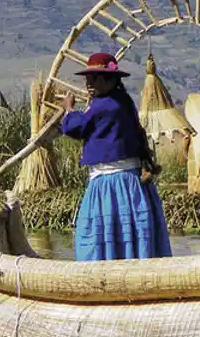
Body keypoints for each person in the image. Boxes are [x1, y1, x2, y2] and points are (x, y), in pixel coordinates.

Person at [58, 52, 171, 262]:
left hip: (111, 183)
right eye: (88, 79)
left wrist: (69, 109)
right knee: (128, 232)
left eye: (95, 78)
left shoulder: (103, 105)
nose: (89, 84)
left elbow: (77, 127)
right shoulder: (123, 101)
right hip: (130, 181)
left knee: (92, 235)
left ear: (111, 80)